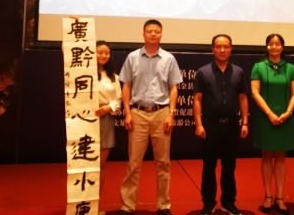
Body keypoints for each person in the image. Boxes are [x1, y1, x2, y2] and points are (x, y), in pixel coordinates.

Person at [119, 19, 183, 215]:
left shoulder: (169, 59)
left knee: (163, 162)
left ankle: (163, 204)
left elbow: (173, 88)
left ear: (161, 34)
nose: (153, 34)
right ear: (143, 34)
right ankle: (127, 205)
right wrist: (127, 112)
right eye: (149, 31)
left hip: (161, 113)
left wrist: (171, 114)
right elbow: (126, 85)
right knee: (133, 163)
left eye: (156, 31)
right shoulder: (132, 57)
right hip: (137, 113)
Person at [193, 34, 249, 215]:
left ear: (231, 48)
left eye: (226, 46)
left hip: (232, 125)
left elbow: (243, 98)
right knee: (209, 167)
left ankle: (228, 203)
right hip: (210, 125)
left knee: (229, 167)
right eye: (218, 46)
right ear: (212, 49)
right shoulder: (203, 72)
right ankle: (208, 204)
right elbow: (197, 99)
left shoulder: (238, 72)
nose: (222, 50)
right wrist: (199, 124)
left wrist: (245, 122)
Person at [251, 34, 294, 215]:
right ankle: (268, 196)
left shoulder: (291, 68)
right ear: (267, 47)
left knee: (280, 157)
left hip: (285, 118)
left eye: (277, 44)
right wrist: (270, 113)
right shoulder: (258, 67)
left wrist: (288, 112)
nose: (274, 47)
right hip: (265, 118)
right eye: (271, 44)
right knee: (266, 156)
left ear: (282, 47)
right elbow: (255, 93)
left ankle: (279, 197)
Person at [95, 40, 122, 215]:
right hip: (85, 119)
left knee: (100, 165)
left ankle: (96, 205)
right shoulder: (82, 73)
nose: (103, 55)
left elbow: (119, 99)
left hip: (105, 119)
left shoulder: (114, 77)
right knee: (83, 163)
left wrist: (109, 107)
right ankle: (81, 203)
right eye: (99, 52)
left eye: (106, 52)